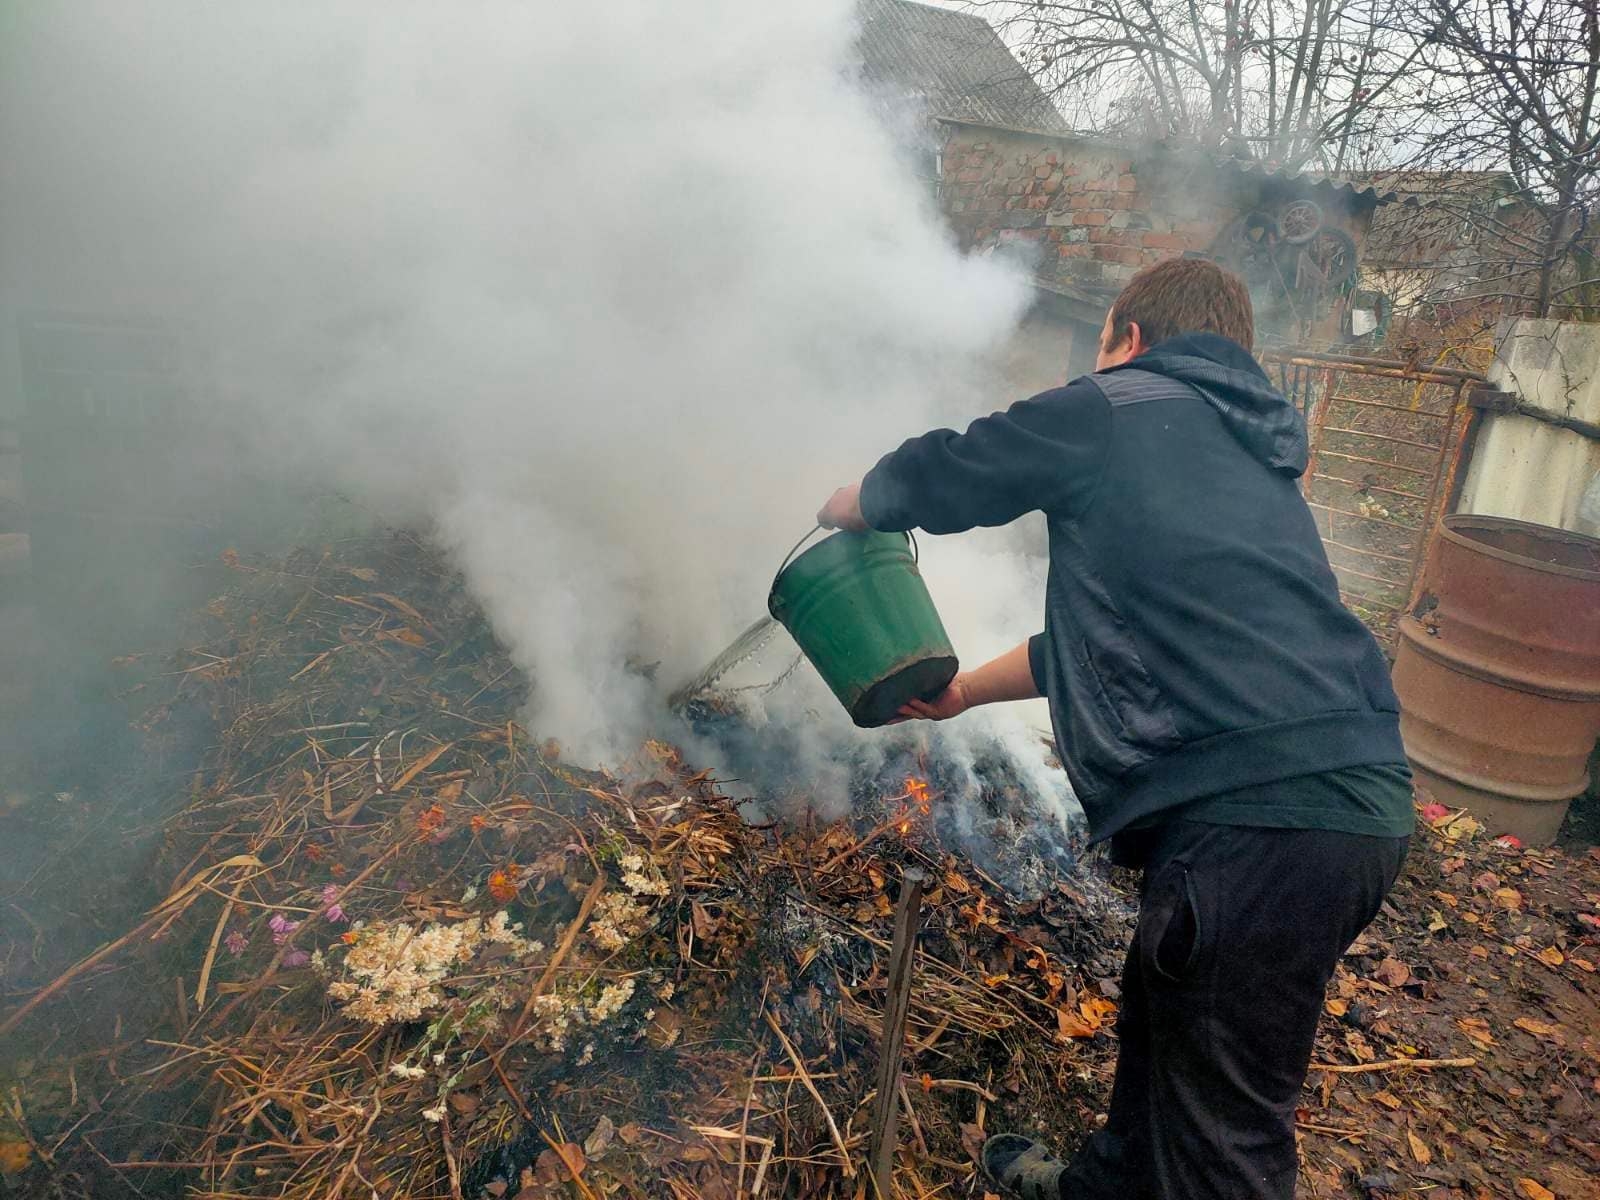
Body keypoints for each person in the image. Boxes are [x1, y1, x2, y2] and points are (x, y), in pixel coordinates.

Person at [816, 257, 1413, 1200]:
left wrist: (858, 504)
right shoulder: (1239, 451)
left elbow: (965, 464)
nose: (1093, 367)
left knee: (1224, 1144)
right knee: (1168, 1013)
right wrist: (964, 694)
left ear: (1129, 339)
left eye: (1100, 346)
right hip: (1341, 807)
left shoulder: (1120, 402)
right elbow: (1109, 643)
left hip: (1263, 820)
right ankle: (1109, 1185)